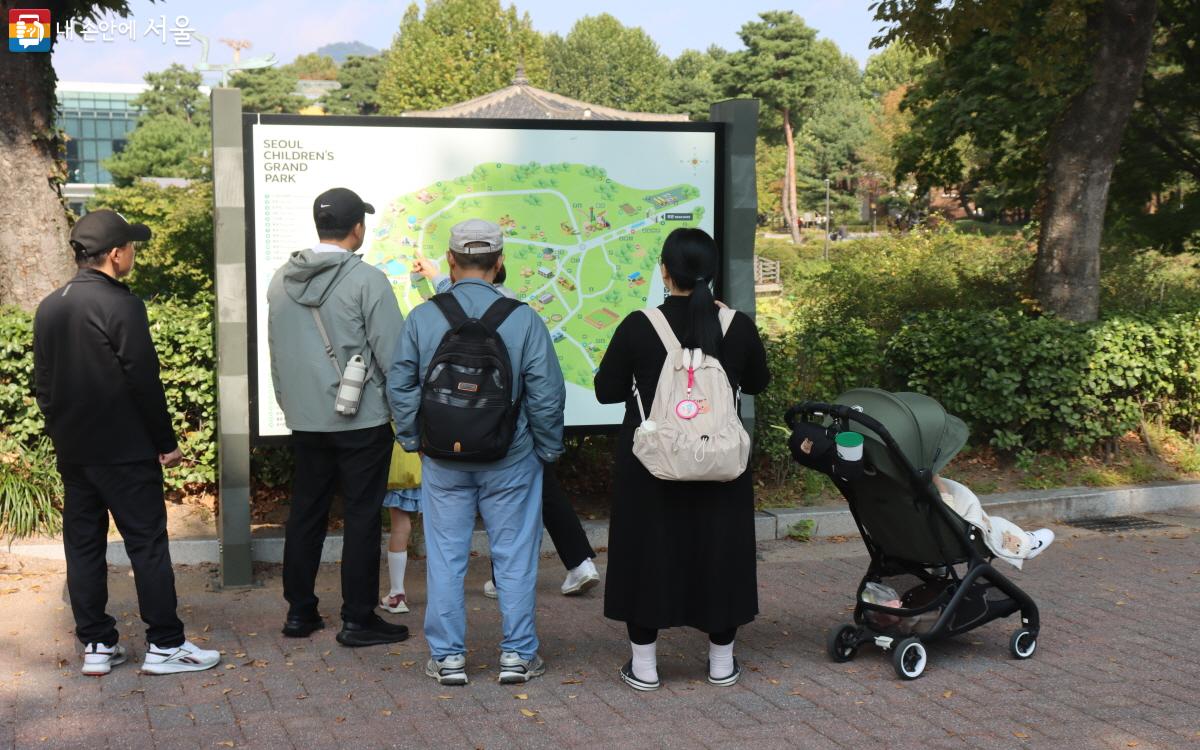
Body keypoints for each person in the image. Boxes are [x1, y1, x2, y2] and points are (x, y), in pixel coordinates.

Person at [33, 209, 221, 676]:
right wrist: (166, 442)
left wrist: (62, 433)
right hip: (126, 451)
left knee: (83, 546)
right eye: (132, 247)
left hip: (75, 453)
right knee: (147, 545)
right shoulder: (122, 305)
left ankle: (96, 644)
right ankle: (165, 644)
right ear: (116, 254)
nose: (134, 253)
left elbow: (43, 385)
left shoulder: (50, 305)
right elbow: (144, 379)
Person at [389, 219, 565, 686]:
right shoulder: (524, 318)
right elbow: (546, 394)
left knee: (447, 557)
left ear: (450, 259)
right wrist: (546, 449)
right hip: (511, 458)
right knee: (514, 555)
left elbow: (400, 384)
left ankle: (448, 658)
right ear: (500, 262)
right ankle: (517, 656)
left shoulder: (425, 317)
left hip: (443, 459)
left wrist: (414, 440)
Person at [594, 227, 769, 691]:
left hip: (651, 466)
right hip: (720, 463)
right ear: (711, 273)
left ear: (664, 271)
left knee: (647, 553)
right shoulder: (737, 326)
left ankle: (646, 668)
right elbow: (757, 383)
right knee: (720, 552)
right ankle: (721, 664)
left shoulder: (638, 325)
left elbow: (607, 390)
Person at [266, 187, 409, 648]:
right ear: (357, 228)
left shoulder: (280, 279)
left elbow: (276, 354)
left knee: (306, 513)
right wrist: (405, 413)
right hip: (361, 420)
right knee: (363, 517)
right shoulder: (368, 280)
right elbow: (394, 356)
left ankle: (299, 612)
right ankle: (358, 618)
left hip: (305, 420)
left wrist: (291, 406)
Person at [411, 257, 601, 598]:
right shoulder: (514, 308)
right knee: (533, 495)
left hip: (488, 429)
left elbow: (453, 298)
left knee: (501, 508)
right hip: (517, 431)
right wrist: (546, 444)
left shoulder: (492, 308)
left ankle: (500, 592)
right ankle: (578, 563)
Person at [934, 475, 1054, 568]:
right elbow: (948, 513)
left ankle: (1023, 540)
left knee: (992, 522)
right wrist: (942, 488)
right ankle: (1026, 544)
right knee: (995, 525)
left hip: (922, 542)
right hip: (949, 540)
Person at [379, 445, 422, 614]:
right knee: (437, 531)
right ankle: (444, 592)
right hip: (429, 465)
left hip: (400, 465)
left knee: (400, 527)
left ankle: (397, 594)